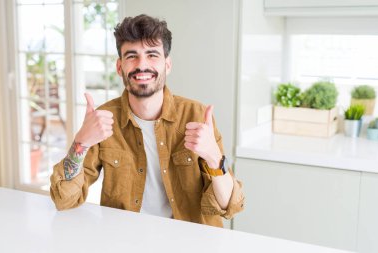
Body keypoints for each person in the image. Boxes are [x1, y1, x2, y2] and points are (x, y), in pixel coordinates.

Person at [50, 14, 244, 227]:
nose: (141, 65)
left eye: (152, 55)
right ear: (119, 67)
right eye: (131, 56)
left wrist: (214, 157)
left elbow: (229, 207)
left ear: (167, 65)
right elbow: (63, 199)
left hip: (190, 242)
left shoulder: (196, 116)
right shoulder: (104, 120)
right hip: (127, 239)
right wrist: (81, 142)